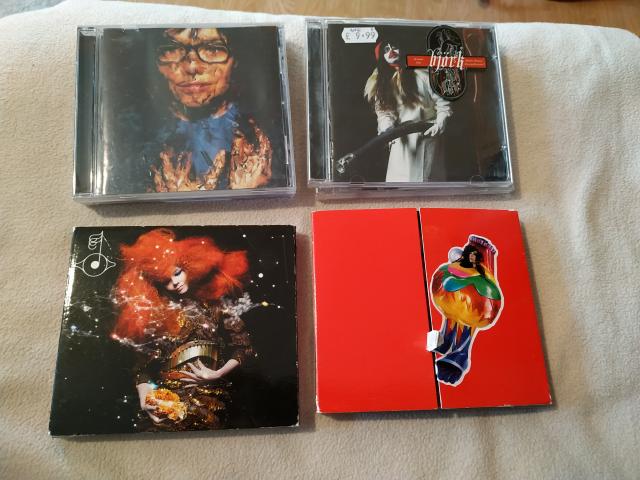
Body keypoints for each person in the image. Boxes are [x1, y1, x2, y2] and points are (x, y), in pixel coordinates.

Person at [111, 228, 256, 430]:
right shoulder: (156, 316)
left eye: (177, 273)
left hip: (211, 397)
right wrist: (146, 397)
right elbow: (142, 368)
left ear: (190, 266)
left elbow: (244, 348)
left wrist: (218, 374)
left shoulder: (216, 306)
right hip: (167, 399)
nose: (175, 282)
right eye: (166, 281)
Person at [147, 28, 272, 192]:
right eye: (171, 50)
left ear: (235, 60)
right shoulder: (137, 142)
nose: (192, 67)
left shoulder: (264, 137)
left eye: (213, 49)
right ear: (155, 63)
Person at [364, 38, 452, 182]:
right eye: (386, 49)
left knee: (427, 182)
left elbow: (443, 103)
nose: (391, 51)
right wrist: (388, 131)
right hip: (400, 140)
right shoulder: (383, 84)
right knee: (399, 183)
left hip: (427, 134)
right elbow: (384, 113)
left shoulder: (423, 75)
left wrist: (440, 123)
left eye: (394, 46)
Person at [429, 237, 503, 386]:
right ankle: (446, 341)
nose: (471, 257)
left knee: (467, 321)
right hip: (452, 295)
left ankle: (460, 353)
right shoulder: (453, 267)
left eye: (475, 255)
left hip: (473, 303)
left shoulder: (483, 276)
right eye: (470, 253)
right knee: (452, 316)